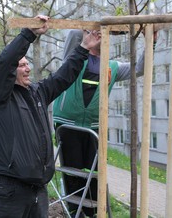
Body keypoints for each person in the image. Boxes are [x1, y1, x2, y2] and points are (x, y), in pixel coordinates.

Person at [0, 16, 102, 218]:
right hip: (9, 191)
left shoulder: (37, 92)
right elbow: (3, 63)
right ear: (10, 72)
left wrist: (83, 48)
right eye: (21, 65)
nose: (28, 68)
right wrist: (28, 34)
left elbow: (63, 76)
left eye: (27, 64)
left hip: (37, 189)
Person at [52, 29, 157, 217]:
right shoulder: (74, 58)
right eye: (98, 34)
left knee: (95, 172)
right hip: (68, 123)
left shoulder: (112, 67)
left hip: (93, 126)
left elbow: (140, 69)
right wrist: (92, 29)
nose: (102, 37)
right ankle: (76, 210)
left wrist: (151, 42)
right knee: (73, 171)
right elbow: (74, 33)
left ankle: (93, 212)